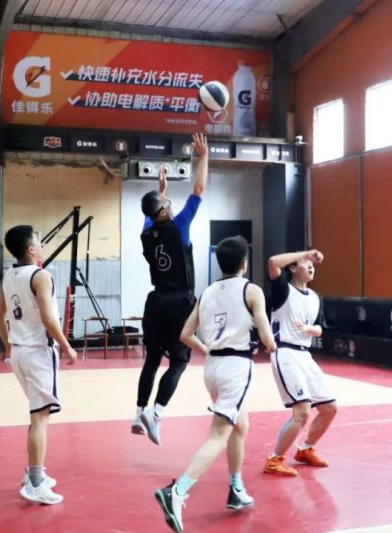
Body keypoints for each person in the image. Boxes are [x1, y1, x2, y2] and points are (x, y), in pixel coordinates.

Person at [155, 236, 277, 533]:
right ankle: (177, 491)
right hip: (236, 367)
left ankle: (235, 487)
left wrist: (207, 349)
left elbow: (185, 335)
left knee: (240, 425)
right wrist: (273, 344)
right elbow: (266, 337)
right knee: (219, 434)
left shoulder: (207, 292)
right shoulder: (252, 290)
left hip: (212, 368)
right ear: (245, 263)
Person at [132, 133, 209, 445]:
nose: (171, 205)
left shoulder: (146, 232)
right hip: (180, 303)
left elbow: (152, 215)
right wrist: (203, 157)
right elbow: (198, 190)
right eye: (167, 203)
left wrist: (161, 191)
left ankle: (138, 413)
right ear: (163, 210)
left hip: (155, 302)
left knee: (152, 359)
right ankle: (157, 412)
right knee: (178, 361)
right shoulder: (179, 226)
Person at [0, 225, 78, 505]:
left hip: (19, 352)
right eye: (38, 242)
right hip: (39, 353)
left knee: (36, 414)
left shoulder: (8, 275)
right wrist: (66, 346)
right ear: (31, 249)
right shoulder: (41, 276)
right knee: (40, 417)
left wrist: (7, 345)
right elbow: (48, 318)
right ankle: (36, 483)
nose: (41, 245)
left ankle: (33, 473)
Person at [262, 249, 337, 477]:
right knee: (302, 411)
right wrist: (306, 253)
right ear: (293, 267)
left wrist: (310, 329)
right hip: (285, 353)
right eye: (305, 263)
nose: (311, 265)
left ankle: (306, 449)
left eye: (312, 263)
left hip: (305, 355)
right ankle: (274, 459)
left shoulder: (314, 298)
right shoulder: (283, 290)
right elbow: (273, 262)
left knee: (329, 408)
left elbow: (320, 328)